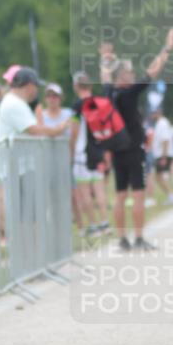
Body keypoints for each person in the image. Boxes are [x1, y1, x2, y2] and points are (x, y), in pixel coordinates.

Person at [102, 29, 173, 252]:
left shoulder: (109, 92)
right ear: (123, 77)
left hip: (117, 151)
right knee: (137, 195)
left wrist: (106, 58)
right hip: (134, 150)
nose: (133, 76)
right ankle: (139, 238)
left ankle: (122, 239)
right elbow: (153, 70)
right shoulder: (129, 93)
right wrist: (167, 48)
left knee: (119, 196)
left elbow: (105, 75)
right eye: (130, 73)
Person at [70, 72, 110, 236]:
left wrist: (70, 151)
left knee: (84, 192)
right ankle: (105, 223)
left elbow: (74, 132)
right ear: (91, 86)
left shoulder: (77, 106)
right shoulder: (99, 103)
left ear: (76, 87)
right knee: (99, 190)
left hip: (81, 155)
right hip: (98, 152)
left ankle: (93, 225)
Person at [0, 68, 68, 142]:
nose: (37, 91)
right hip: (12, 153)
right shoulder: (14, 103)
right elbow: (35, 131)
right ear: (30, 86)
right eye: (37, 86)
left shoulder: (13, 100)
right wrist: (58, 130)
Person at [150, 107, 173, 205]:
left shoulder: (162, 123)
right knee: (159, 177)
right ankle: (170, 196)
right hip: (161, 154)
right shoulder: (160, 123)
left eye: (153, 113)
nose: (152, 116)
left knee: (159, 177)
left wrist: (164, 156)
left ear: (158, 113)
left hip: (163, 154)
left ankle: (171, 196)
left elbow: (165, 140)